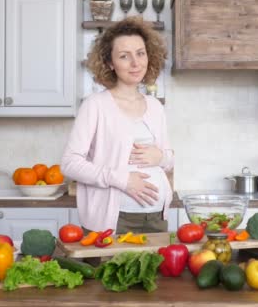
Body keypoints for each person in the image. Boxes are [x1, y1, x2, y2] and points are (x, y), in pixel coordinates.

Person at [61, 17, 174, 234]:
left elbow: (168, 159)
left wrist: (160, 157)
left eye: (141, 53)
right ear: (110, 63)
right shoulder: (95, 105)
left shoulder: (155, 106)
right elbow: (70, 164)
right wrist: (122, 180)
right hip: (114, 221)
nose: (135, 63)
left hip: (157, 217)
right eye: (124, 56)